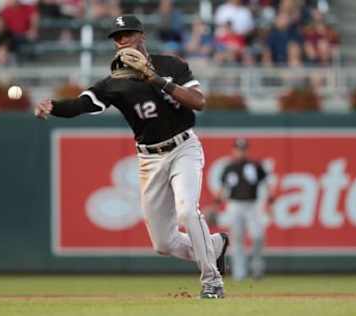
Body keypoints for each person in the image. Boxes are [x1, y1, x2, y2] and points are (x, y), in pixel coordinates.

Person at [35, 15, 229, 299]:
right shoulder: (114, 82)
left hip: (183, 147)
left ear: (141, 36)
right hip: (149, 160)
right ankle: (214, 245)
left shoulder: (170, 65)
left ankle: (212, 282)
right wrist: (52, 106)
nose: (122, 40)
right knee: (164, 244)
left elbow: (198, 102)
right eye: (117, 37)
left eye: (127, 34)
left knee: (188, 211)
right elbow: (80, 104)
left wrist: (156, 79)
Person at [210, 138, 272, 281]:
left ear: (247, 150)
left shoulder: (255, 165)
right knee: (237, 239)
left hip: (252, 205)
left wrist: (270, 202)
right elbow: (223, 188)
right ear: (234, 150)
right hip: (235, 205)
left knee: (258, 236)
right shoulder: (229, 167)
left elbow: (266, 183)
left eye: (243, 149)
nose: (240, 152)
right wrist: (216, 204)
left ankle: (257, 268)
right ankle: (239, 273)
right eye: (238, 149)